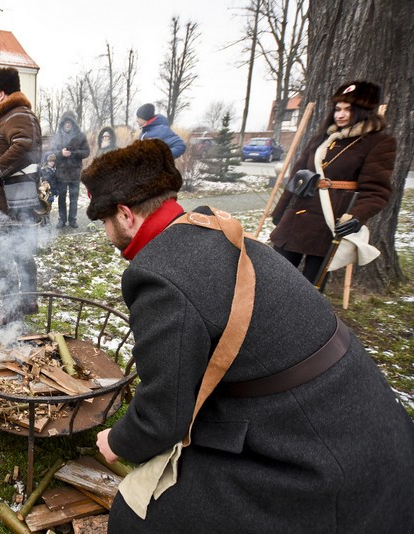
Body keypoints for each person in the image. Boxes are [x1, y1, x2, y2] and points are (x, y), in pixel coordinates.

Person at [82, 139, 414, 532]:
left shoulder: (159, 274)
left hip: (324, 465)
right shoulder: (212, 226)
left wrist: (118, 442)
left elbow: (161, 418)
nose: (106, 233)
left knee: (134, 514)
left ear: (125, 214)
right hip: (370, 423)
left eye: (105, 222)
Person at [270, 80, 395, 289]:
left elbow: (377, 191)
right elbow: (297, 177)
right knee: (272, 277)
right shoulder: (322, 138)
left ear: (364, 111)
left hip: (329, 222)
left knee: (311, 288)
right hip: (297, 218)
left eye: (348, 109)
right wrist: (280, 212)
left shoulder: (378, 142)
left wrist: (356, 216)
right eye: (338, 109)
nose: (341, 115)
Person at [0, 66, 43, 324]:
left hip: (12, 204)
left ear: (1, 94)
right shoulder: (9, 116)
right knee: (17, 253)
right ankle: (27, 300)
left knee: (3, 255)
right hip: (7, 203)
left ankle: (13, 306)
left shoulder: (18, 115)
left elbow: (25, 146)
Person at [50, 111, 90, 229]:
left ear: (73, 123)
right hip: (61, 173)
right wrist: (61, 153)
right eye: (65, 122)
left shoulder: (81, 136)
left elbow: (87, 152)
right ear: (63, 123)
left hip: (75, 173)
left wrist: (75, 153)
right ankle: (62, 220)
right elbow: (51, 153)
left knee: (74, 198)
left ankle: (72, 220)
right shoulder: (57, 136)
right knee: (61, 198)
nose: (67, 124)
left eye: (69, 122)